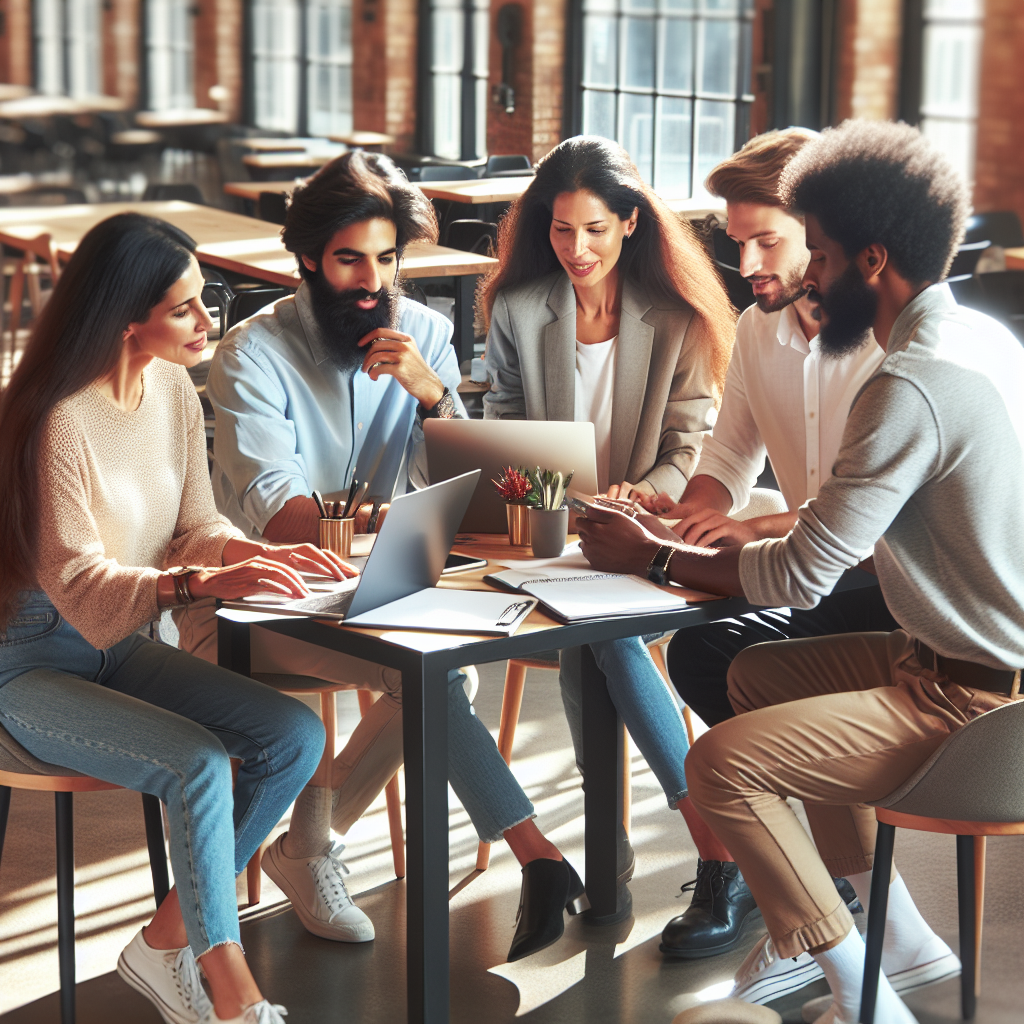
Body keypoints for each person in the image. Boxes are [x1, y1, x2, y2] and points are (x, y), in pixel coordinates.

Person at [575, 119, 1023, 1024]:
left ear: (872, 259)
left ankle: (861, 992)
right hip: (943, 661)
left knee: (720, 765)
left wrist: (655, 554)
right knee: (747, 673)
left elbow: (806, 572)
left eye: (814, 252)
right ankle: (891, 941)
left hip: (979, 707)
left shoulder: (911, 383)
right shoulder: (946, 351)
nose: (805, 275)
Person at [188, 150, 584, 963]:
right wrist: (388, 520)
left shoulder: (427, 335)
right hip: (252, 601)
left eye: (388, 258)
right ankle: (530, 852)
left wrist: (434, 396)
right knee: (432, 672)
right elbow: (285, 514)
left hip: (380, 587)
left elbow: (493, 490)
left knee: (446, 669)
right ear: (305, 259)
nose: (373, 281)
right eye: (349, 260)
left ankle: (310, 848)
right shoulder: (249, 355)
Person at [0, 213, 345, 1024]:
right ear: (127, 316)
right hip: (27, 660)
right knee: (199, 763)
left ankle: (161, 944)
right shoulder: (57, 420)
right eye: (186, 307)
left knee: (291, 736)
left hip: (116, 643)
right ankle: (234, 994)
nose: (209, 321)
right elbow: (78, 577)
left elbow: (195, 522)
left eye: (209, 298)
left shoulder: (170, 393)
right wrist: (198, 582)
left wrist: (249, 556)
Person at [636, 128, 898, 969]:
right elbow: (724, 463)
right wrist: (673, 518)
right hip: (821, 577)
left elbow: (862, 513)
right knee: (703, 653)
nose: (747, 261)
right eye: (736, 239)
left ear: (821, 237)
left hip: (888, 584)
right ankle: (805, 876)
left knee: (733, 666)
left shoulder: (888, 345)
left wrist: (749, 530)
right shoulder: (755, 330)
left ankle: (801, 883)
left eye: (769, 241)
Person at [482, 135, 742, 937]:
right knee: (593, 633)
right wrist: (555, 500)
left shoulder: (679, 320)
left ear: (630, 223)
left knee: (599, 635)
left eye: (595, 229)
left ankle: (649, 845)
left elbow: (688, 450)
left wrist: (641, 498)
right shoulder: (520, 311)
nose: (577, 249)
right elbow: (500, 432)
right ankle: (702, 846)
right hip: (549, 535)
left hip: (650, 542)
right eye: (561, 231)